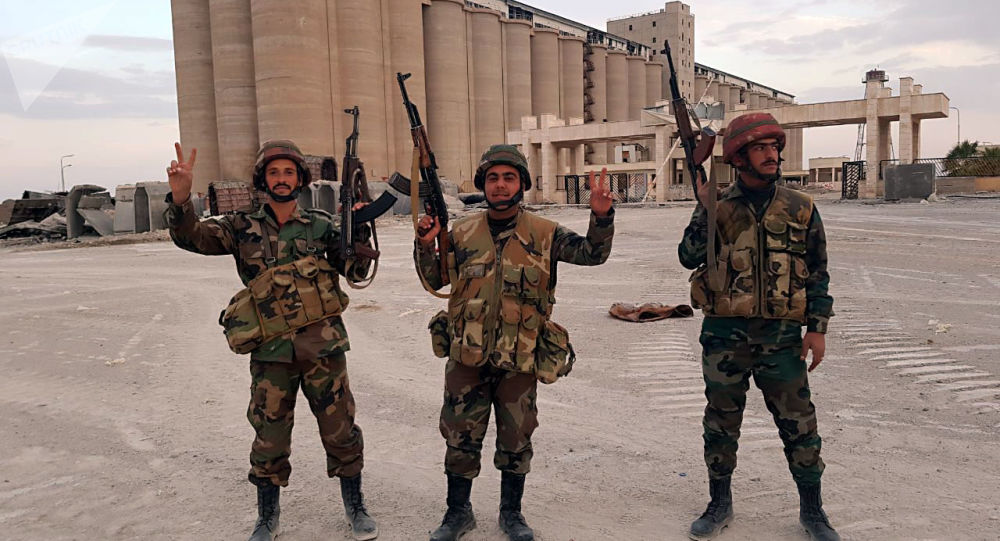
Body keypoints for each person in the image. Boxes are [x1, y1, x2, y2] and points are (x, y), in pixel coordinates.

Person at [164, 140, 378, 541]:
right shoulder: (240, 226)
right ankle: (267, 517)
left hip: (322, 349)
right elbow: (193, 238)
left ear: (300, 179)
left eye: (289, 172)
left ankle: (356, 506)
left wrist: (359, 227)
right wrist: (180, 199)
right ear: (263, 179)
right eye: (274, 172)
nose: (282, 179)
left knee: (341, 431)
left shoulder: (321, 225)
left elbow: (355, 270)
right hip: (271, 351)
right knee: (269, 435)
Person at [414, 145, 614, 541]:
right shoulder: (462, 233)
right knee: (460, 436)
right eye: (493, 178)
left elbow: (592, 254)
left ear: (521, 184)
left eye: (509, 178)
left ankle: (512, 514)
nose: (500, 185)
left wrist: (602, 217)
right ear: (483, 185)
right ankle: (458, 513)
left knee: (516, 437)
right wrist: (425, 244)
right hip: (467, 358)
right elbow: (435, 279)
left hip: (520, 358)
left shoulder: (545, 233)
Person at [678, 113, 839, 541]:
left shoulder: (801, 207)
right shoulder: (718, 203)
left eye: (774, 148)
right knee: (721, 422)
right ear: (738, 158)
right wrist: (704, 208)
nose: (771, 155)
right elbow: (687, 255)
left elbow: (818, 271)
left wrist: (817, 327)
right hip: (724, 334)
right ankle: (719, 503)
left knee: (799, 423)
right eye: (760, 148)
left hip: (781, 336)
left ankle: (813, 511)